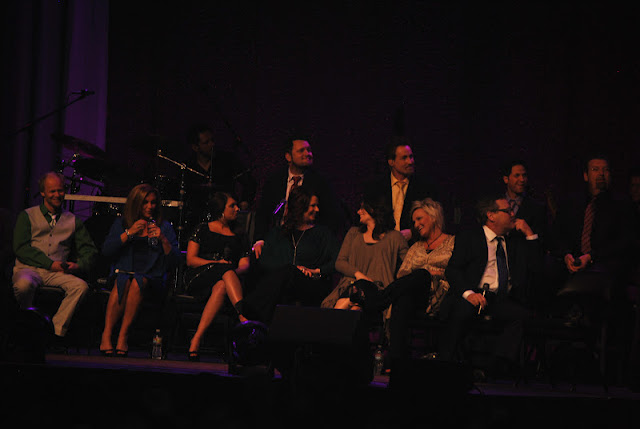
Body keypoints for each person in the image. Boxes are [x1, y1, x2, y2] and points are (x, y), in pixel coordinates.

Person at [438, 194, 541, 376]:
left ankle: (494, 367)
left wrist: (529, 234)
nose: (513, 214)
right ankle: (446, 365)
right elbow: (453, 270)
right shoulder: (470, 237)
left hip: (500, 298)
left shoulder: (513, 240)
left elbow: (537, 266)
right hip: (473, 293)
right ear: (491, 215)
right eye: (507, 211)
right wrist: (469, 294)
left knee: (523, 317)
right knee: (461, 312)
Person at [12, 171, 98, 346]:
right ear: (43, 193)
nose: (57, 195)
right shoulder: (27, 215)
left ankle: (55, 332)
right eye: (52, 191)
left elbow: (89, 251)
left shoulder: (72, 220)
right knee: (23, 285)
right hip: (29, 269)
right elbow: (21, 248)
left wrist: (78, 265)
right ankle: (26, 326)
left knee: (80, 287)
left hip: (57, 273)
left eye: (60, 190)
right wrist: (50, 264)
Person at [551, 155, 635, 327]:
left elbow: (624, 242)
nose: (601, 174)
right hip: (572, 260)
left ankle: (591, 324)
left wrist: (590, 257)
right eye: (595, 170)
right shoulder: (571, 203)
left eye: (605, 170)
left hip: (603, 261)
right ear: (586, 175)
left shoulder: (622, 205)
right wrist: (566, 255)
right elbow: (557, 234)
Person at [99, 184, 180, 357]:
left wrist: (163, 239)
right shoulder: (122, 223)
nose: (150, 206)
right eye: (145, 202)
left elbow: (175, 260)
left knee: (137, 281)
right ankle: (107, 334)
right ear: (136, 204)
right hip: (123, 274)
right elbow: (106, 251)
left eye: (153, 202)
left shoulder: (164, 227)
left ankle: (123, 335)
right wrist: (129, 233)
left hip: (152, 279)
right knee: (123, 280)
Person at [241, 187, 340, 325]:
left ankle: (246, 312)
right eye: (313, 206)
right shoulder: (278, 233)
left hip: (310, 284)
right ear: (301, 206)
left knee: (289, 273)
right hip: (282, 283)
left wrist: (316, 271)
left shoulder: (323, 234)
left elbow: (338, 261)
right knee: (283, 273)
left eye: (317, 205)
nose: (317, 209)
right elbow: (265, 260)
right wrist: (291, 269)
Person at [183, 192, 251, 361]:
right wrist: (217, 264)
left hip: (226, 282)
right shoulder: (203, 228)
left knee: (221, 285)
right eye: (232, 206)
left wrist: (229, 273)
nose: (237, 209)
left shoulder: (239, 235)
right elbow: (191, 260)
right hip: (200, 276)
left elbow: (245, 265)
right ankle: (243, 316)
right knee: (224, 270)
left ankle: (196, 338)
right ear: (220, 209)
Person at [253, 136, 342, 254]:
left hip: (307, 241)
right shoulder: (274, 180)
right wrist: (259, 240)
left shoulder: (320, 182)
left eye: (309, 150)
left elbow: (331, 216)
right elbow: (263, 213)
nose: (307, 154)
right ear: (288, 156)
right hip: (278, 238)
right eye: (301, 151)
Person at [182, 123, 256, 234]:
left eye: (212, 140)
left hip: (226, 219)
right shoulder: (188, 166)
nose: (211, 144)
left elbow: (249, 182)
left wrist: (244, 201)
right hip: (197, 218)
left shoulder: (226, 160)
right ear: (195, 147)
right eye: (206, 142)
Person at [363, 137, 438, 242]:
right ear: (391, 162)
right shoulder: (376, 187)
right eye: (404, 158)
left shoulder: (424, 188)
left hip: (414, 245)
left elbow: (434, 219)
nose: (410, 162)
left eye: (411, 157)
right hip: (382, 245)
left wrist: (413, 232)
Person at [396, 198, 455, 317]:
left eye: (419, 219)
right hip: (415, 298)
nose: (416, 225)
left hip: (444, 298)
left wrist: (434, 274)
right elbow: (401, 274)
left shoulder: (453, 243)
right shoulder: (416, 247)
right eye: (414, 222)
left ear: (433, 217)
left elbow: (458, 273)